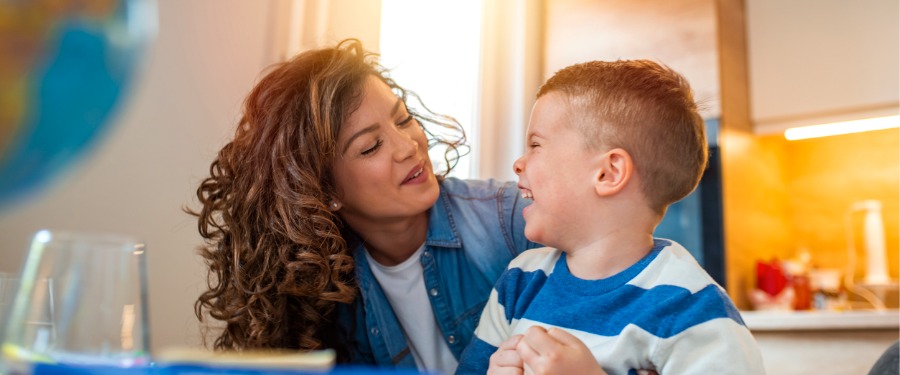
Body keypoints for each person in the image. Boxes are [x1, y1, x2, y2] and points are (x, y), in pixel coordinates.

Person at [188, 39, 538, 374]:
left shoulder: (513, 220)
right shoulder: (325, 293)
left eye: (403, 119)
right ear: (323, 190)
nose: (408, 146)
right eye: (371, 146)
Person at [456, 60, 765, 374]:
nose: (519, 163)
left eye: (536, 145)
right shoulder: (520, 281)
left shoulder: (691, 308)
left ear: (608, 173)